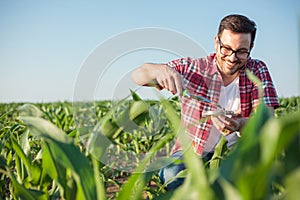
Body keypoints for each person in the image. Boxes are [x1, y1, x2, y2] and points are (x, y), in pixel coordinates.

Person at [131, 14, 279, 190]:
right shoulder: (194, 68)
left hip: (236, 154)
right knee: (172, 174)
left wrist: (238, 124)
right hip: (192, 152)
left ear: (251, 47)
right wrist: (158, 69)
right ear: (216, 42)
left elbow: (266, 120)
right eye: (226, 48)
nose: (232, 58)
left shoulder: (257, 70)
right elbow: (138, 75)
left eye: (241, 51)